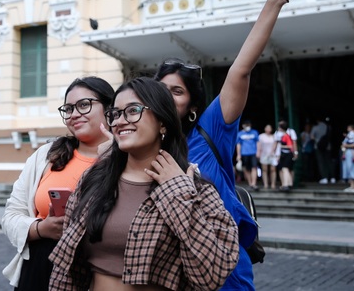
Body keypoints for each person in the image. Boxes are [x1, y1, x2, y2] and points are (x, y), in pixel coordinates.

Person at [154, 0, 307, 290]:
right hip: (168, 272)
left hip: (223, 268)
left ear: (192, 106)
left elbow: (240, 69)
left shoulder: (210, 129)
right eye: (160, 90)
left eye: (176, 91)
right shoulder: (141, 147)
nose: (167, 98)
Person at [48, 77, 239, 291]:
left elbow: (211, 276)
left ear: (163, 121)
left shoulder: (196, 190)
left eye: (133, 110)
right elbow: (64, 270)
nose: (120, 121)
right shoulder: (93, 180)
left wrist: (178, 193)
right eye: (115, 113)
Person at [2, 77, 114, 290]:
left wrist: (114, 154)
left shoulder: (125, 159)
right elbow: (10, 216)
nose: (74, 114)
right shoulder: (46, 155)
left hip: (97, 274)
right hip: (39, 269)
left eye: (84, 105)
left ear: (109, 108)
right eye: (68, 108)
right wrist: (41, 228)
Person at [237, 120, 260, 190]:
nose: (247, 127)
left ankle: (254, 183)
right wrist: (238, 154)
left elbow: (258, 142)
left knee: (254, 167)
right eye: (246, 125)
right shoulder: (240, 134)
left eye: (248, 125)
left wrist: (258, 152)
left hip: (253, 153)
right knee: (246, 168)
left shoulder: (254, 132)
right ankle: (250, 183)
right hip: (244, 153)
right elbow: (238, 145)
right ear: (243, 126)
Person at [312, 116, 335, 184]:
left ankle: (324, 178)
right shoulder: (328, 127)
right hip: (327, 147)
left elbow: (312, 136)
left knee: (321, 162)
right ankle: (332, 177)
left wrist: (317, 140)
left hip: (318, 147)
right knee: (329, 162)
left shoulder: (315, 127)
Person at [275, 121, 297, 191]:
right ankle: (289, 184)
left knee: (285, 169)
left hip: (288, 154)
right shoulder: (282, 135)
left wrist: (281, 146)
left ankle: (285, 184)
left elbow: (290, 145)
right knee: (285, 169)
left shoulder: (286, 135)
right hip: (284, 154)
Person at [256, 124, 277, 190]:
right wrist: (258, 153)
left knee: (273, 169)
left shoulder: (274, 136)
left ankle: (273, 184)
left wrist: (272, 152)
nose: (268, 129)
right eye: (267, 128)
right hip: (263, 154)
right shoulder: (261, 136)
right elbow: (258, 145)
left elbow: (275, 145)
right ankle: (266, 184)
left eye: (269, 128)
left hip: (272, 155)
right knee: (264, 170)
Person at [341, 125, 354, 192]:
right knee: (349, 169)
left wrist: (347, 145)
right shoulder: (347, 138)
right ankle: (352, 186)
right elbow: (343, 144)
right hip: (348, 155)